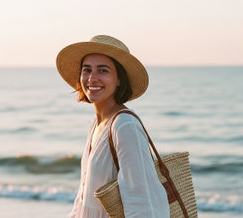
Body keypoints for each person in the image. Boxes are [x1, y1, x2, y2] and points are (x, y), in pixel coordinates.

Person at [56, 35, 170, 218]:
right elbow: (83, 199)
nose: (92, 78)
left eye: (103, 70)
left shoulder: (125, 126)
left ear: (119, 79)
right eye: (87, 70)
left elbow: (141, 202)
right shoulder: (97, 124)